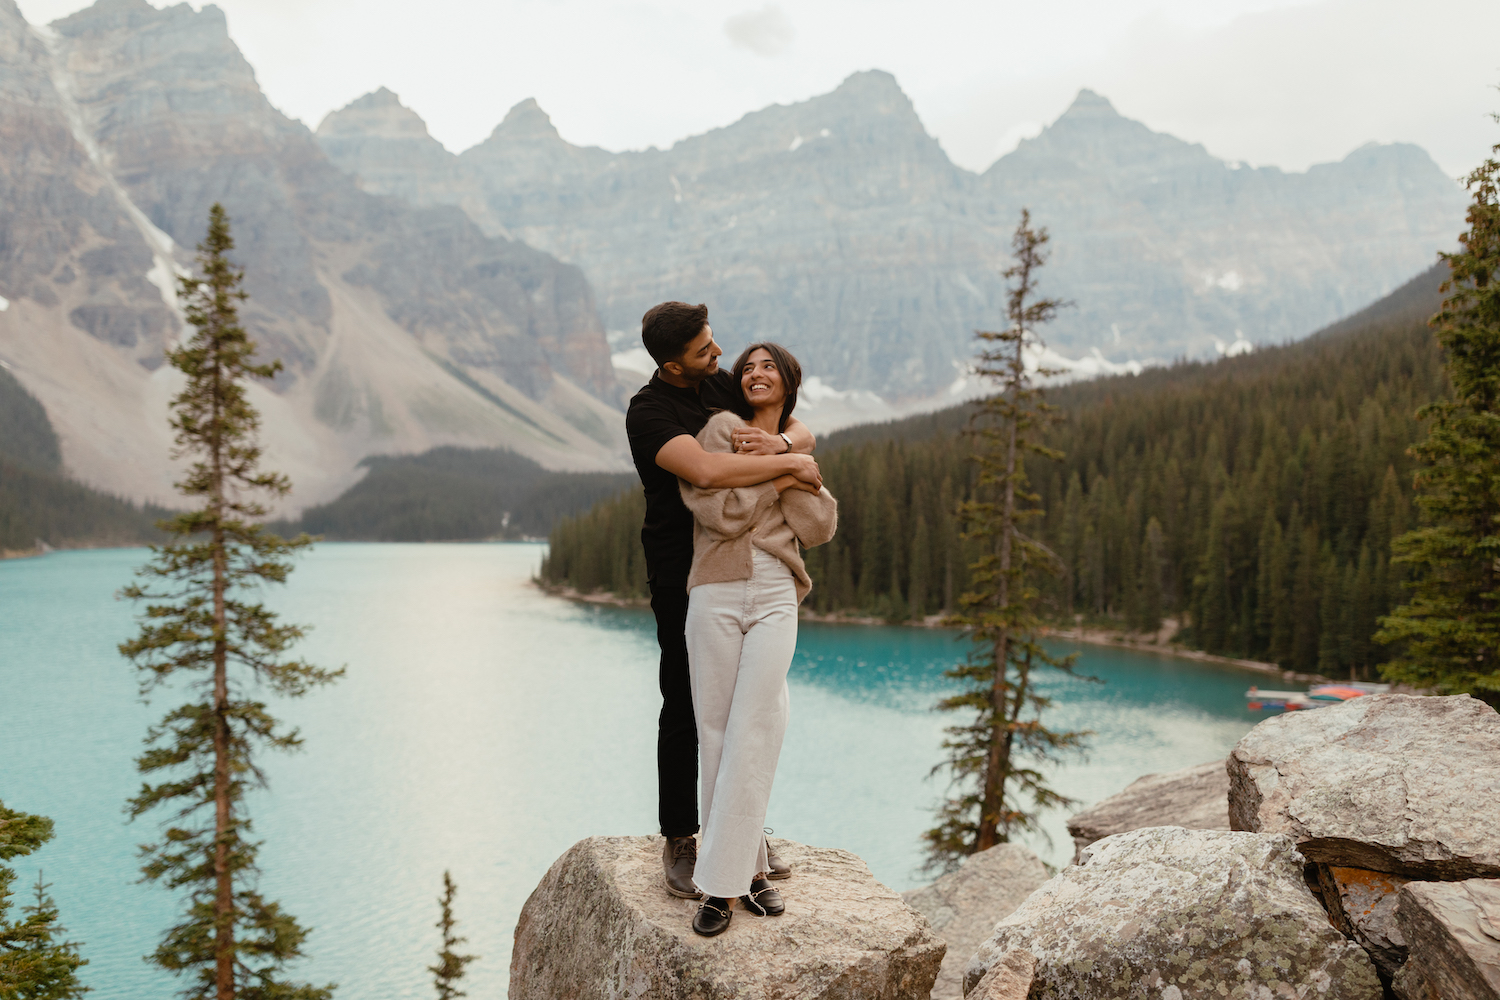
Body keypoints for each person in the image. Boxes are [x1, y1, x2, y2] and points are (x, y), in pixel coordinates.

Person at [624, 302, 821, 899]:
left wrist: (784, 442)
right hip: (681, 563)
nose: (719, 358)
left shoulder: (715, 384)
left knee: (757, 707)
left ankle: (743, 836)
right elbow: (707, 472)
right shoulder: (649, 411)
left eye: (714, 344)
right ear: (671, 364)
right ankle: (682, 836)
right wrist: (791, 464)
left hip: (744, 560)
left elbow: (791, 419)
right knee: (686, 699)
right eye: (705, 351)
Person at [678, 341, 837, 936]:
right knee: (718, 731)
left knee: (754, 725)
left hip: (775, 591)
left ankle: (718, 890)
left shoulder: (791, 441)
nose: (755, 373)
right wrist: (786, 467)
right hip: (715, 590)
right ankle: (753, 870)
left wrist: (784, 454)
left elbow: (818, 527)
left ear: (788, 381)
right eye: (747, 368)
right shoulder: (721, 429)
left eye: (768, 366)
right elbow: (719, 514)